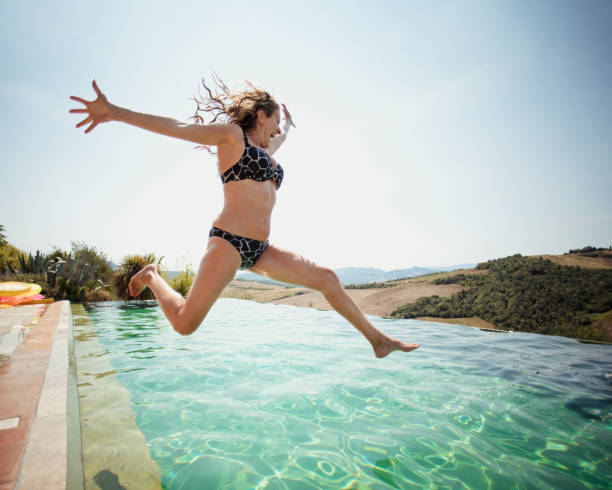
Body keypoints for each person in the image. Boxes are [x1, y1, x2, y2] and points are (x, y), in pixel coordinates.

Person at [70, 79, 419, 358]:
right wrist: (113, 111)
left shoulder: (265, 151)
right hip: (228, 242)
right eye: (276, 124)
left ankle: (377, 340)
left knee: (327, 278)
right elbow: (175, 126)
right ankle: (152, 276)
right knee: (184, 324)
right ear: (262, 116)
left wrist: (290, 128)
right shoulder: (231, 138)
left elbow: (278, 143)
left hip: (260, 249)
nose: (277, 132)